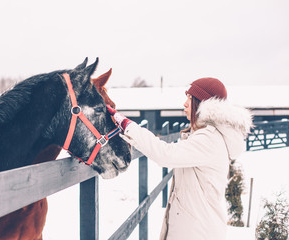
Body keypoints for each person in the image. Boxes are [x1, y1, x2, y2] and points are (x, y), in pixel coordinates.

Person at [107, 77, 252, 240]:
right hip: (197, 226)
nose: (184, 103)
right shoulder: (209, 136)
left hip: (197, 231)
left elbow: (165, 154)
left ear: (203, 104)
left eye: (190, 99)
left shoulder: (209, 138)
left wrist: (128, 125)